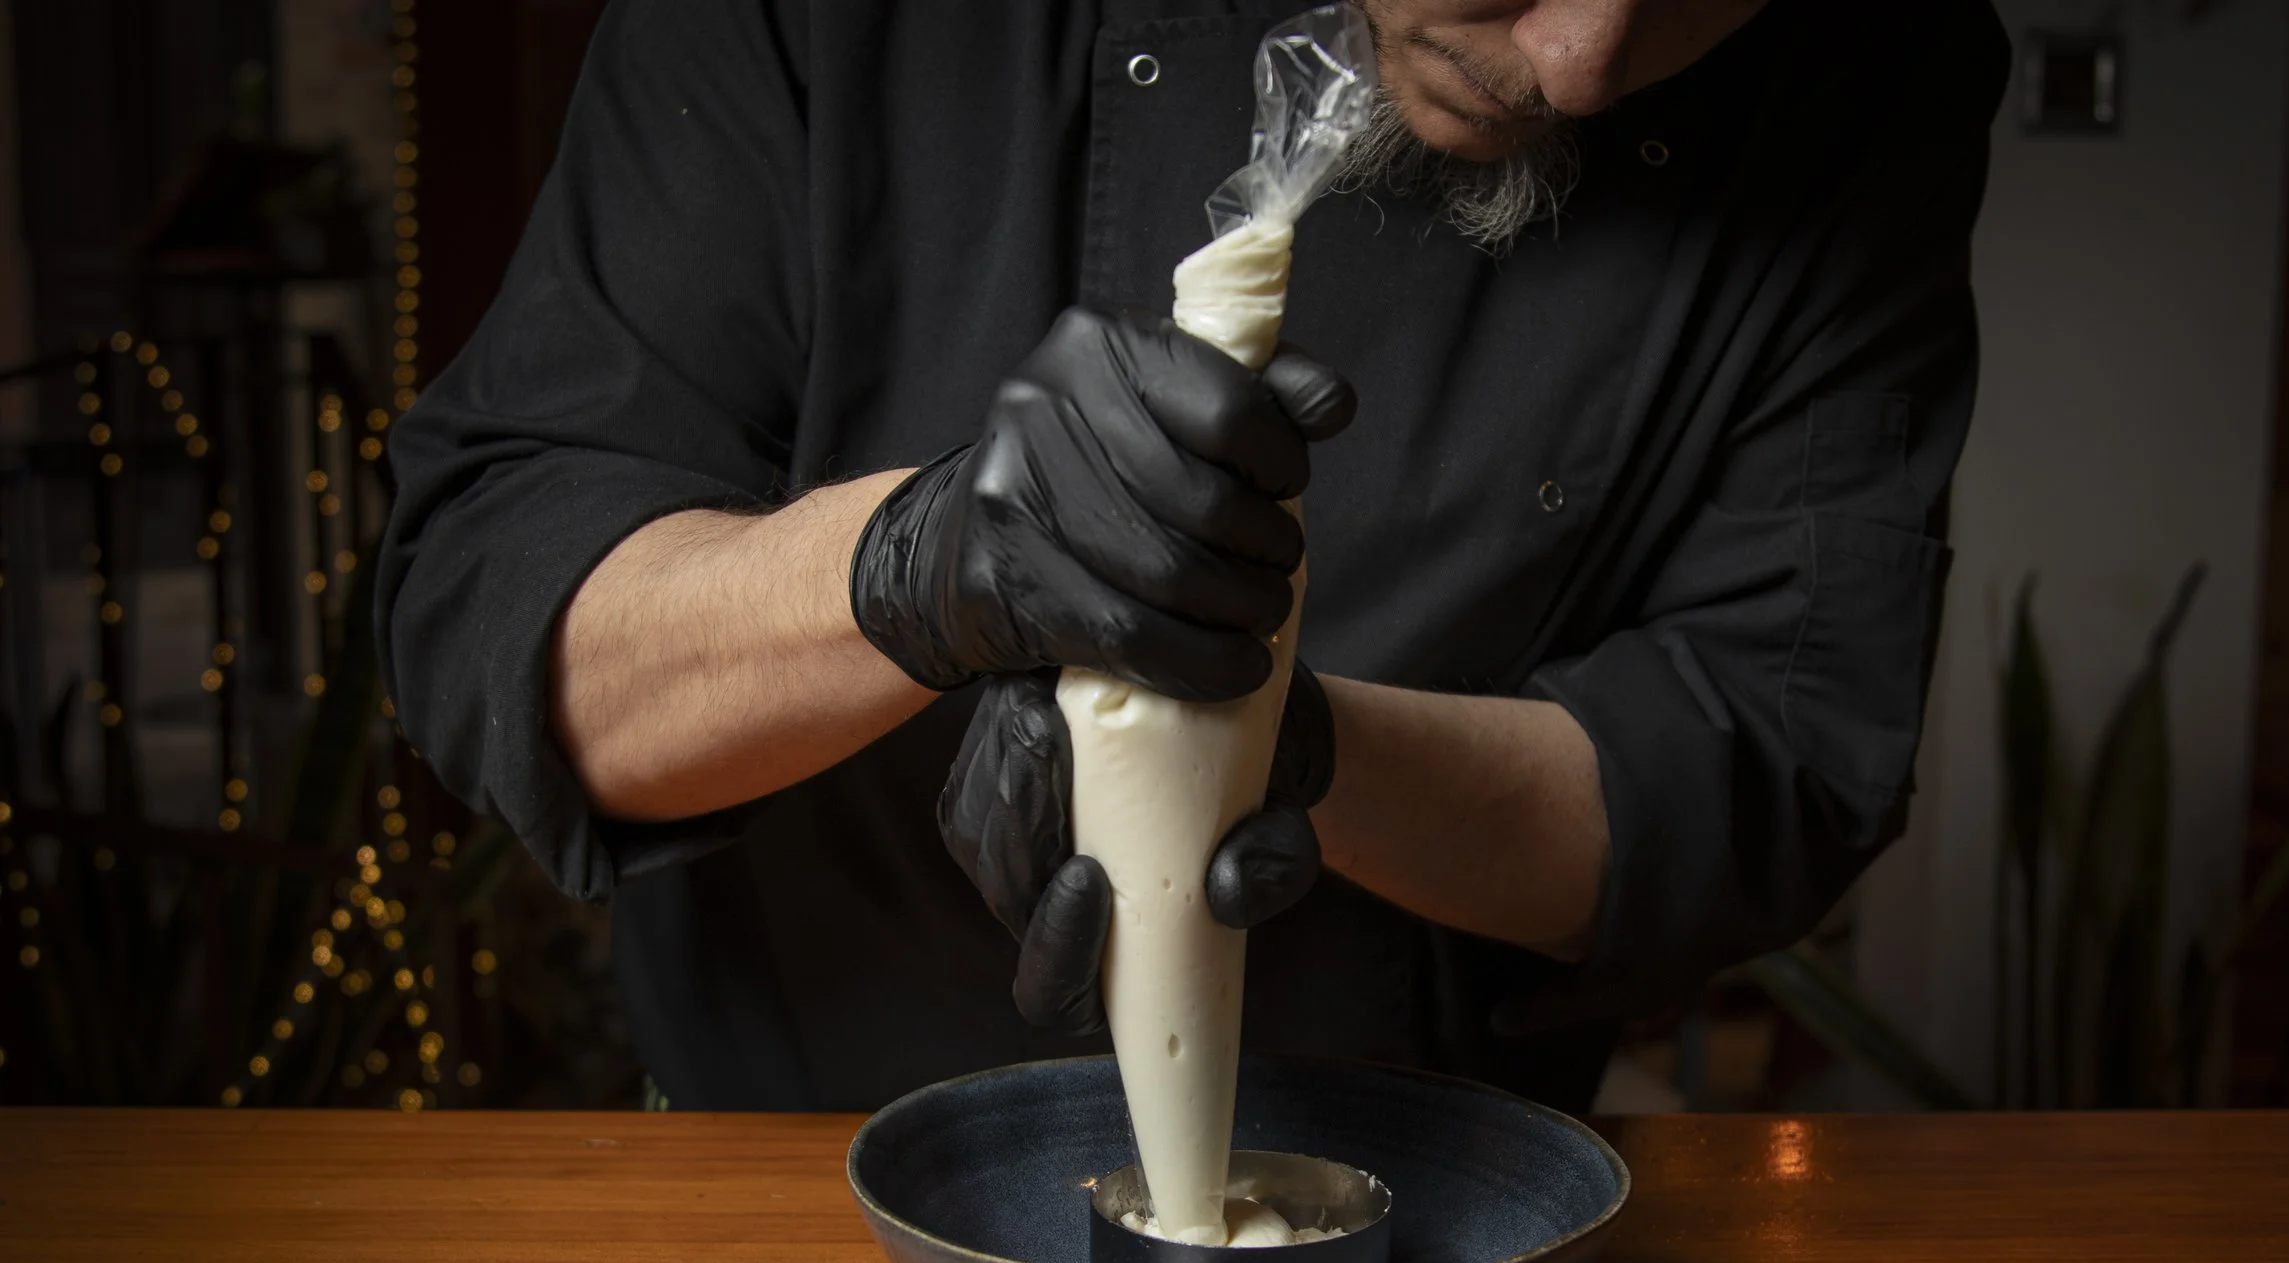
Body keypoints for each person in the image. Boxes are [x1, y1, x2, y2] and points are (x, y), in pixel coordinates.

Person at [378, 0, 2012, 1113]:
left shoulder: (1875, 68)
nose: (1580, 60)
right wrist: (916, 566)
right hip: (779, 1189)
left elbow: (1765, 758)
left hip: (1416, 1232)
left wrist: (1283, 740)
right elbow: (501, 604)